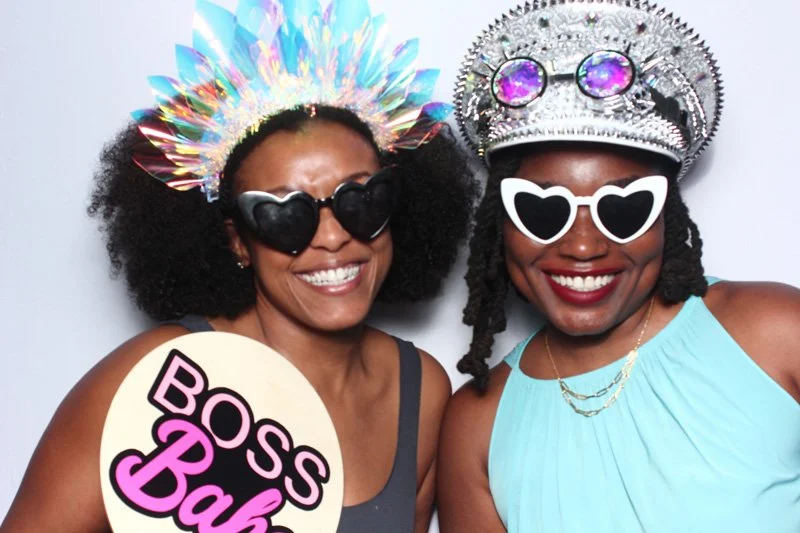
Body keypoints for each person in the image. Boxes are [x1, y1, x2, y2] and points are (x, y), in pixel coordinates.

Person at [0, 1, 477, 532]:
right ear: (237, 241)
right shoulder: (155, 380)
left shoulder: (421, 390)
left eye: (360, 200)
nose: (332, 236)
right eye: (284, 215)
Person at [438, 1, 800, 532]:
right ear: (501, 226)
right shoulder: (476, 425)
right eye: (543, 211)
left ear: (665, 217)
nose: (584, 247)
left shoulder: (774, 331)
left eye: (624, 209)